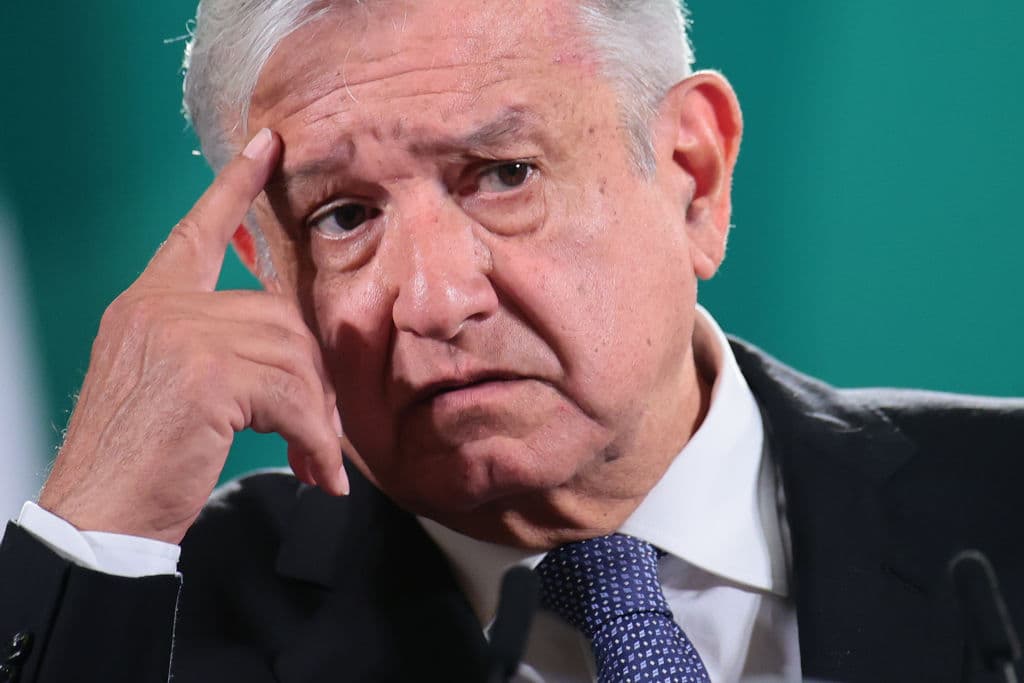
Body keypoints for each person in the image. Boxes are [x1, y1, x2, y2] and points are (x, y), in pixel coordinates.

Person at [1, 1, 1021, 681]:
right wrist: (94, 529)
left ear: (692, 173)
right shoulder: (154, 622)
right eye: (343, 215)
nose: (434, 300)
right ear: (266, 269)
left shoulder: (1002, 506)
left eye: (501, 174)